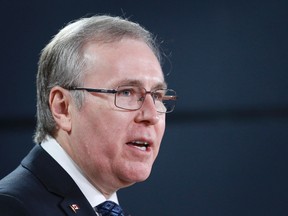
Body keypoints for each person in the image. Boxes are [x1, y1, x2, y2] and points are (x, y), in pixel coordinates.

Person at [0, 15, 177, 216]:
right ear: (63, 108)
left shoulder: (103, 208)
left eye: (157, 95)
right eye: (126, 92)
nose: (152, 115)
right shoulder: (12, 208)